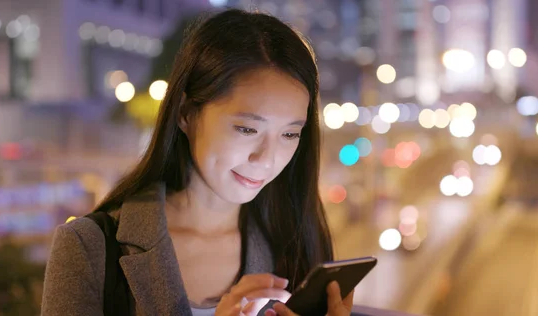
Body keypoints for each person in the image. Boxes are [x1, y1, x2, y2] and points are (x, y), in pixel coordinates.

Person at [41, 8, 354, 316]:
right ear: (186, 113)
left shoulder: (295, 243)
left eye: (289, 134)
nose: (266, 159)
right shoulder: (89, 248)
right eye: (247, 129)